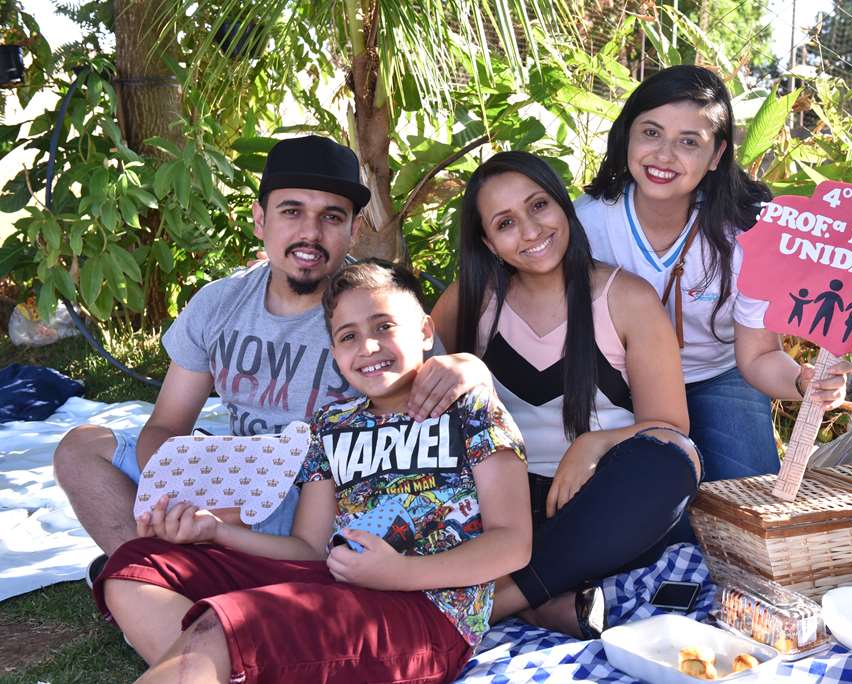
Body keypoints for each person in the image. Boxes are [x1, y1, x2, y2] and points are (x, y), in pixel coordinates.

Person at [52, 135, 493, 577]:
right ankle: (151, 565)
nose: (310, 233)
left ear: (354, 230)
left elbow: (434, 421)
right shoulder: (219, 304)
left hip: (325, 498)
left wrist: (468, 367)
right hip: (236, 473)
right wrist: (178, 488)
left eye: (331, 217)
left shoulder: (373, 309)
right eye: (291, 211)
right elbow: (167, 424)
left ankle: (171, 573)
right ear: (260, 220)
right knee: (81, 448)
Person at [91, 260, 532, 683]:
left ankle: (218, 658)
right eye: (348, 336)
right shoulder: (331, 425)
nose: (368, 347)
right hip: (335, 584)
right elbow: (308, 549)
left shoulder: (468, 407)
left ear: (424, 331)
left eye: (384, 326)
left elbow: (513, 544)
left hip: (429, 613)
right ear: (335, 353)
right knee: (135, 566)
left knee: (231, 625)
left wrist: (399, 573)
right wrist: (216, 532)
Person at [431, 151, 703, 639]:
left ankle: (501, 601)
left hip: (598, 510)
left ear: (562, 204)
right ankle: (543, 602)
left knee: (673, 460)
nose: (531, 230)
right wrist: (462, 365)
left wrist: (593, 444)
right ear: (488, 242)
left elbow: (669, 426)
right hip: (503, 509)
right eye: (505, 223)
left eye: (539, 206)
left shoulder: (626, 297)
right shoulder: (471, 300)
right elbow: (409, 396)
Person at [576, 65, 852, 485]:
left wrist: (803, 381)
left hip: (714, 376)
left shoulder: (747, 234)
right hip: (613, 381)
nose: (664, 155)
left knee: (746, 494)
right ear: (627, 134)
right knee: (622, 491)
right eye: (651, 133)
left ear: (717, 155)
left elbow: (758, 357)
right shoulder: (586, 223)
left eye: (689, 141)